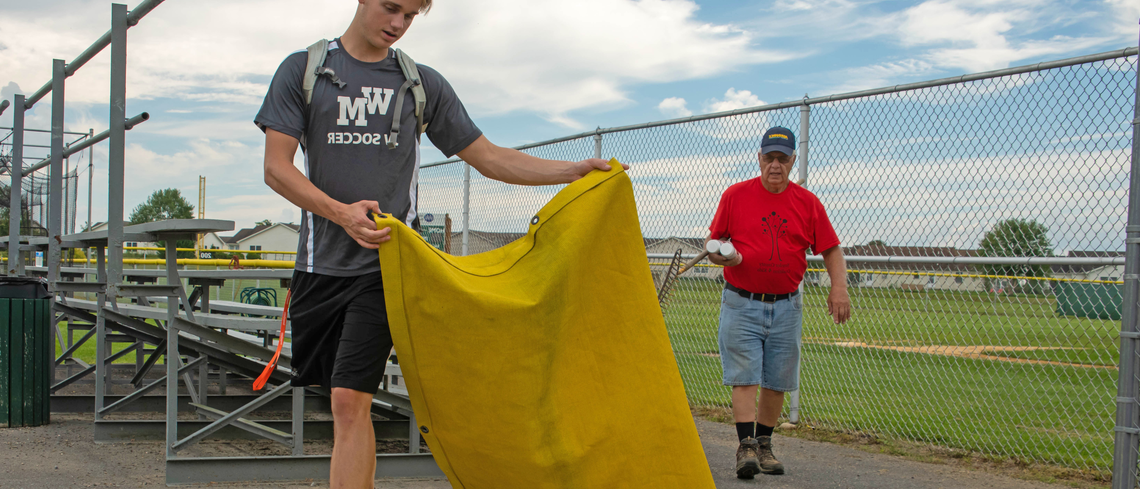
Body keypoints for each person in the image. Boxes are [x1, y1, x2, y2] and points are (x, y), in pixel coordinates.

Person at [254, 0, 621, 486]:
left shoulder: (422, 84)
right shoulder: (303, 70)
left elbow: (489, 157)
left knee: (349, 399)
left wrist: (571, 171)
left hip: (385, 267)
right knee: (334, 400)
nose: (398, 25)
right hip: (319, 265)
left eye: (410, 16)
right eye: (391, 9)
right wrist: (341, 214)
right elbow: (276, 168)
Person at [705, 126, 851, 479]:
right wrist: (721, 257)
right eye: (768, 157)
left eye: (782, 159)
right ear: (759, 158)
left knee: (777, 378)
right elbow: (714, 242)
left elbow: (831, 248)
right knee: (745, 376)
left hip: (787, 304)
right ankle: (746, 447)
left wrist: (839, 288)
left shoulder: (808, 202)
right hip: (742, 301)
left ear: (792, 161)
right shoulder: (735, 196)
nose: (775, 165)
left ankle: (765, 445)